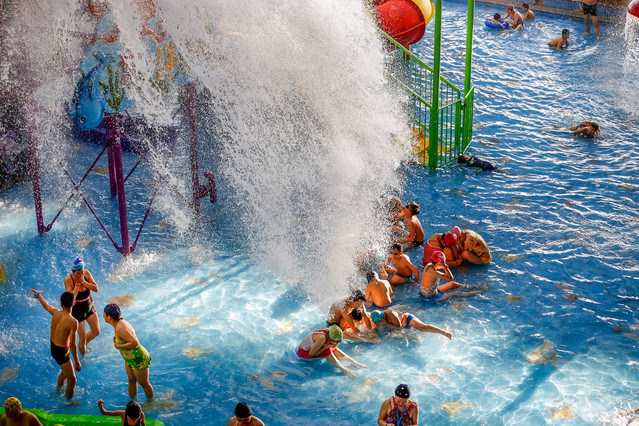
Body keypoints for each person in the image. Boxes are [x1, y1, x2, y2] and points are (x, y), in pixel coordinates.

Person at [31, 290, 81, 400]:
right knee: (72, 380)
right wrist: (77, 361)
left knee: (65, 371)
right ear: (74, 303)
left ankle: (58, 391)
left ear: (61, 304)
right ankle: (69, 403)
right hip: (62, 352)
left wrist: (39, 295)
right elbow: (72, 344)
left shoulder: (56, 312)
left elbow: (46, 305)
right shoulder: (73, 322)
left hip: (53, 348)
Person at [103, 304, 154, 399]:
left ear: (109, 317)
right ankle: (132, 401)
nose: (103, 315)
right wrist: (119, 340)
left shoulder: (120, 328)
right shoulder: (119, 323)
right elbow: (127, 337)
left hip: (138, 358)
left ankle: (151, 403)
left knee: (145, 384)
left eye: (104, 314)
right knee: (131, 380)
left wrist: (119, 346)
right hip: (129, 358)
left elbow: (134, 343)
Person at [296, 325, 367, 377]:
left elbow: (334, 344)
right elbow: (312, 354)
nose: (336, 344)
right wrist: (326, 347)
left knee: (332, 347)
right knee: (328, 352)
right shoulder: (321, 338)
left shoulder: (330, 331)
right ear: (330, 338)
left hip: (313, 349)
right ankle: (344, 369)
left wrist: (331, 346)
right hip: (304, 354)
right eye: (335, 341)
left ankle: (354, 362)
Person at [63, 257, 100, 355]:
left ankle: (84, 343)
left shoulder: (86, 274)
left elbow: (96, 288)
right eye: (77, 273)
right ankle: (83, 358)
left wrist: (84, 282)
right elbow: (70, 300)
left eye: (81, 272)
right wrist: (77, 285)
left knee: (96, 332)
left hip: (88, 306)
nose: (80, 275)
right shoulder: (68, 280)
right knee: (82, 338)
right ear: (73, 272)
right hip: (77, 311)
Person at [420, 251, 490, 302]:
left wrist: (443, 266)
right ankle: (479, 292)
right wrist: (445, 267)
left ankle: (474, 287)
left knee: (453, 284)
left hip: (428, 290)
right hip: (430, 296)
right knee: (456, 293)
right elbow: (450, 277)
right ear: (439, 262)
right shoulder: (434, 273)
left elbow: (438, 267)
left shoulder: (429, 265)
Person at [370, 309, 452, 339]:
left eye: (383, 320)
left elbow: (400, 327)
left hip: (407, 319)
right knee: (392, 336)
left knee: (422, 328)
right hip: (401, 327)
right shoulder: (378, 319)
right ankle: (414, 337)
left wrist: (386, 324)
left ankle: (444, 332)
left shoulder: (391, 314)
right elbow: (374, 327)